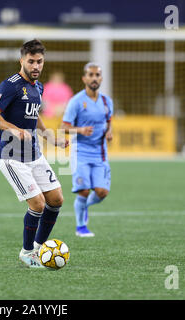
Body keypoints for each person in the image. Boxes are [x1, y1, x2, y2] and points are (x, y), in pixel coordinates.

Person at [0, 39, 69, 268]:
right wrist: (15, 129)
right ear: (22, 60)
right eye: (31, 61)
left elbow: (35, 116)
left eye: (39, 61)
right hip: (12, 158)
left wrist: (50, 137)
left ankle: (41, 247)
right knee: (38, 204)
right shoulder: (10, 85)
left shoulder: (38, 87)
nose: (35, 66)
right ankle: (27, 251)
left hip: (34, 154)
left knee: (56, 199)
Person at [61, 63, 113, 237]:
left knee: (101, 192)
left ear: (101, 78)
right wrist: (81, 130)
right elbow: (63, 127)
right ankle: (80, 227)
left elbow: (109, 121)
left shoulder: (106, 101)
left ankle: (85, 207)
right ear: (84, 78)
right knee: (83, 190)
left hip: (100, 153)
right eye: (90, 75)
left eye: (97, 75)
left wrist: (109, 132)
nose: (94, 78)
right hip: (80, 152)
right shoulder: (76, 101)